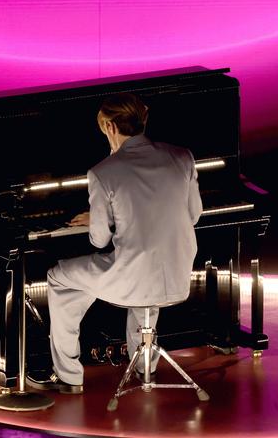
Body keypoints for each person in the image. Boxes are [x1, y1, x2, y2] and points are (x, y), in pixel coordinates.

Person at [27, 92, 203, 393]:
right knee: (146, 270)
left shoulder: (102, 172)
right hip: (177, 274)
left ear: (109, 126)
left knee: (60, 279)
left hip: (132, 278)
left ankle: (68, 376)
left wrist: (100, 216)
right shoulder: (182, 156)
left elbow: (99, 240)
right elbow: (194, 215)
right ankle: (142, 366)